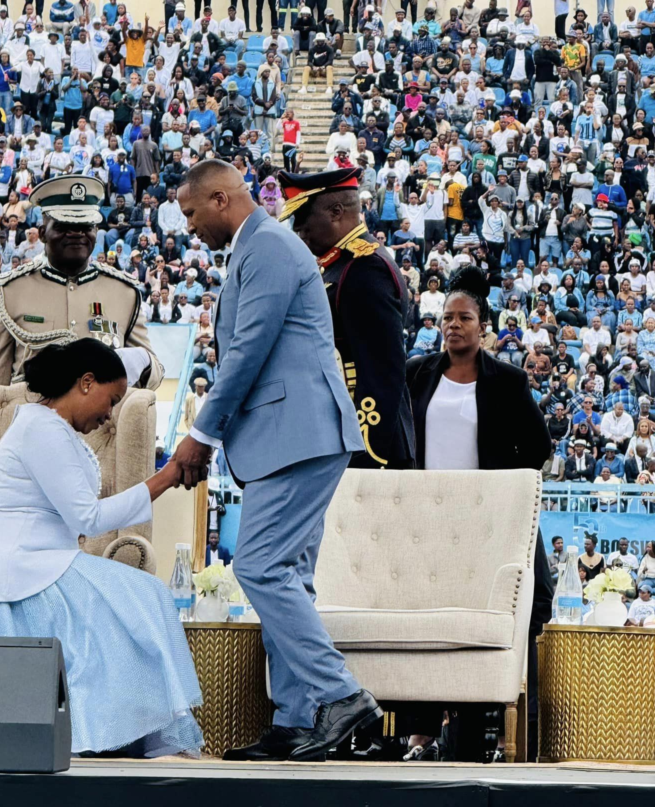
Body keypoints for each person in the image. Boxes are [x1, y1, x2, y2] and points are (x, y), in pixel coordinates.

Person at [174, 160, 377, 763]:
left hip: (298, 432)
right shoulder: (258, 247)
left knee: (260, 566)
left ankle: (340, 695)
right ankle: (296, 719)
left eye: (190, 213)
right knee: (289, 576)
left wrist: (201, 434)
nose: (188, 227)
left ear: (218, 199)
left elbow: (247, 350)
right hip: (296, 434)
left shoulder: (266, 246)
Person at [0, 339, 203, 758]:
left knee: (139, 599)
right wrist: (165, 477)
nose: (109, 414)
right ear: (86, 382)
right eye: (110, 400)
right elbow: (88, 518)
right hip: (14, 571)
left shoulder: (50, 426)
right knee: (143, 597)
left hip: (38, 565)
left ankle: (114, 733)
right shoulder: (41, 428)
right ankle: (113, 733)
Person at [406, 265, 553, 762]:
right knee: (429, 618)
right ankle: (420, 735)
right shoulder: (418, 373)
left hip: (488, 518)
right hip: (429, 517)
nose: (453, 325)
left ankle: (492, 731)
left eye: (463, 318)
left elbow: (538, 445)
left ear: (482, 326)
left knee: (527, 598)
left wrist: (500, 488)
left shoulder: (507, 380)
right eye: (447, 317)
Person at [278, 166, 415, 469]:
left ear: (336, 211)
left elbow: (381, 370)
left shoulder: (365, 268)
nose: (299, 229)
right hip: (341, 432)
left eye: (303, 218)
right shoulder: (341, 265)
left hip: (368, 443)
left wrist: (366, 449)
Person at [0, 174, 164, 390]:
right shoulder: (10, 291)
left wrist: (143, 361)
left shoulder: (124, 292)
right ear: (42, 234)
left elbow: (154, 375)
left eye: (86, 226)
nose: (77, 233)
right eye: (64, 226)